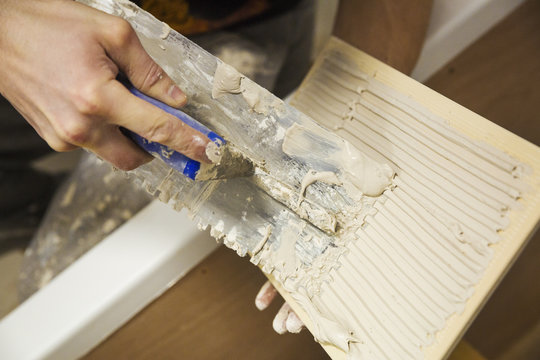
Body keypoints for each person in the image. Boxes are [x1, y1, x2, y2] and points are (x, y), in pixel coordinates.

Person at [0, 0, 432, 334]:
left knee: (53, 293)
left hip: (220, 25)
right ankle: (31, 203)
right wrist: (11, 34)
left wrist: (346, 143)